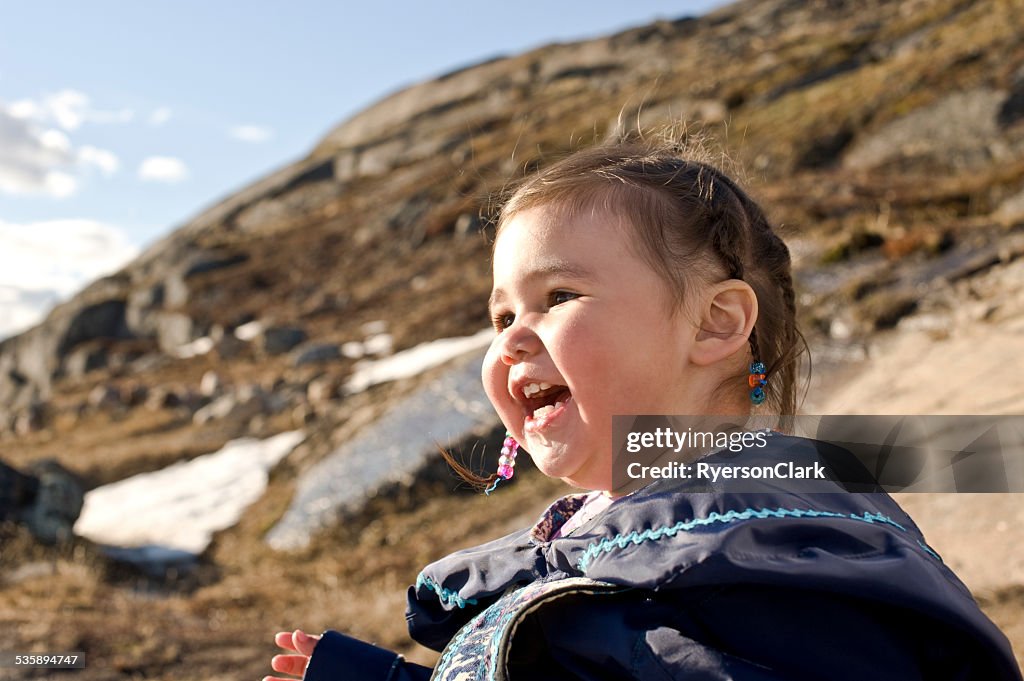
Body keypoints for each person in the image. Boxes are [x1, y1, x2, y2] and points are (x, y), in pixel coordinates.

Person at [265, 139, 1022, 680]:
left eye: (557, 297)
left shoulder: (763, 568)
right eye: (501, 317)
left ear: (716, 324)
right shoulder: (637, 535)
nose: (513, 340)